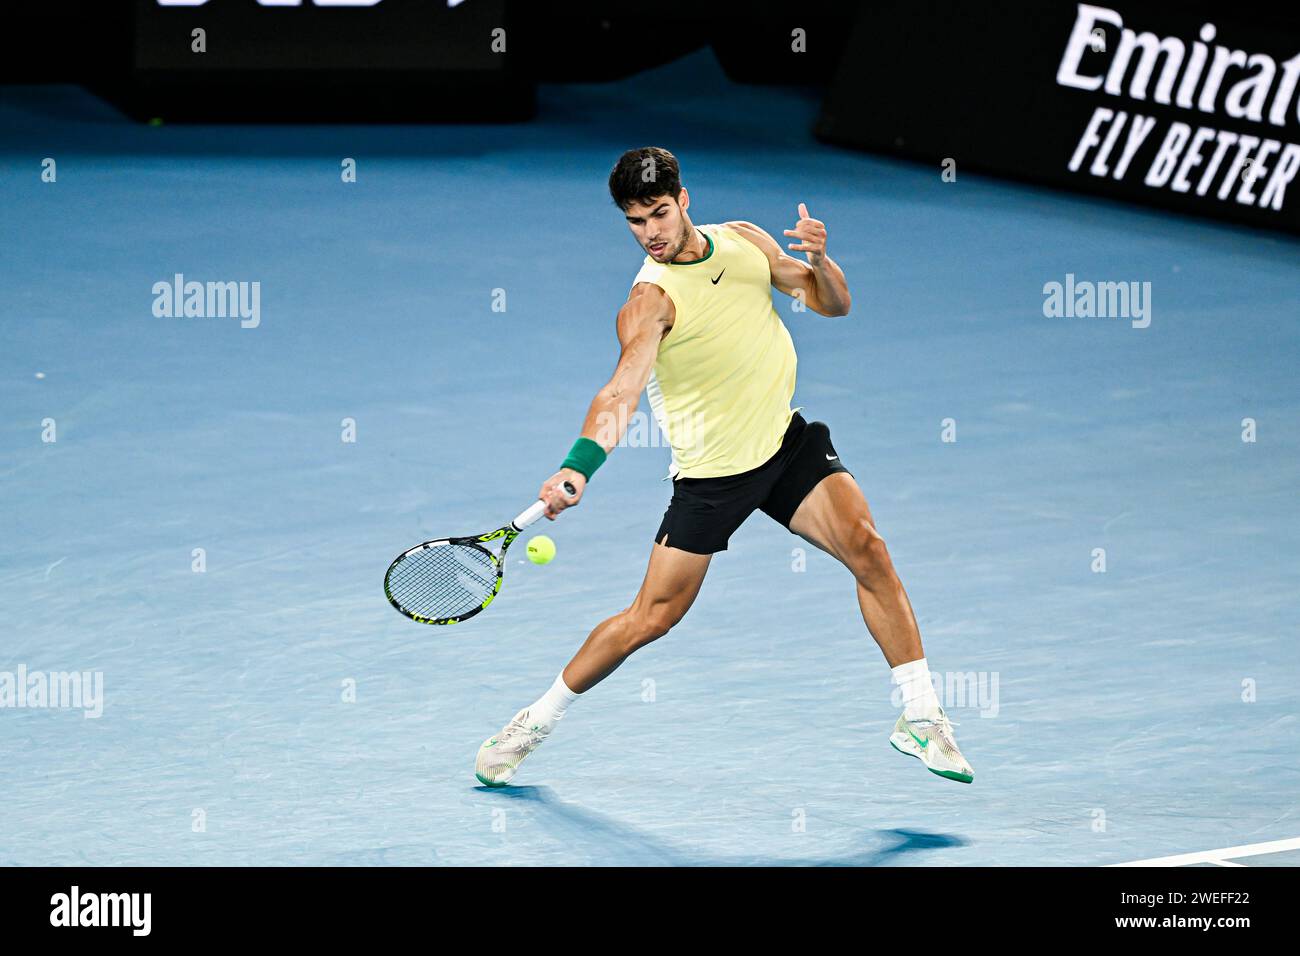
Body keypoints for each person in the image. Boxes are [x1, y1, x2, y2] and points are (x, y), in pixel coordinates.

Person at [476, 147, 973, 788]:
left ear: (685, 201)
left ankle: (921, 714)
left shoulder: (744, 241)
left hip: (784, 444)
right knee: (648, 619)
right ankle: (536, 719)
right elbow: (621, 391)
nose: (650, 232)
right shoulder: (649, 302)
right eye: (635, 221)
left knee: (869, 549)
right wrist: (578, 467)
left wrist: (821, 261)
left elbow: (833, 304)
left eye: (658, 213)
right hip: (713, 476)